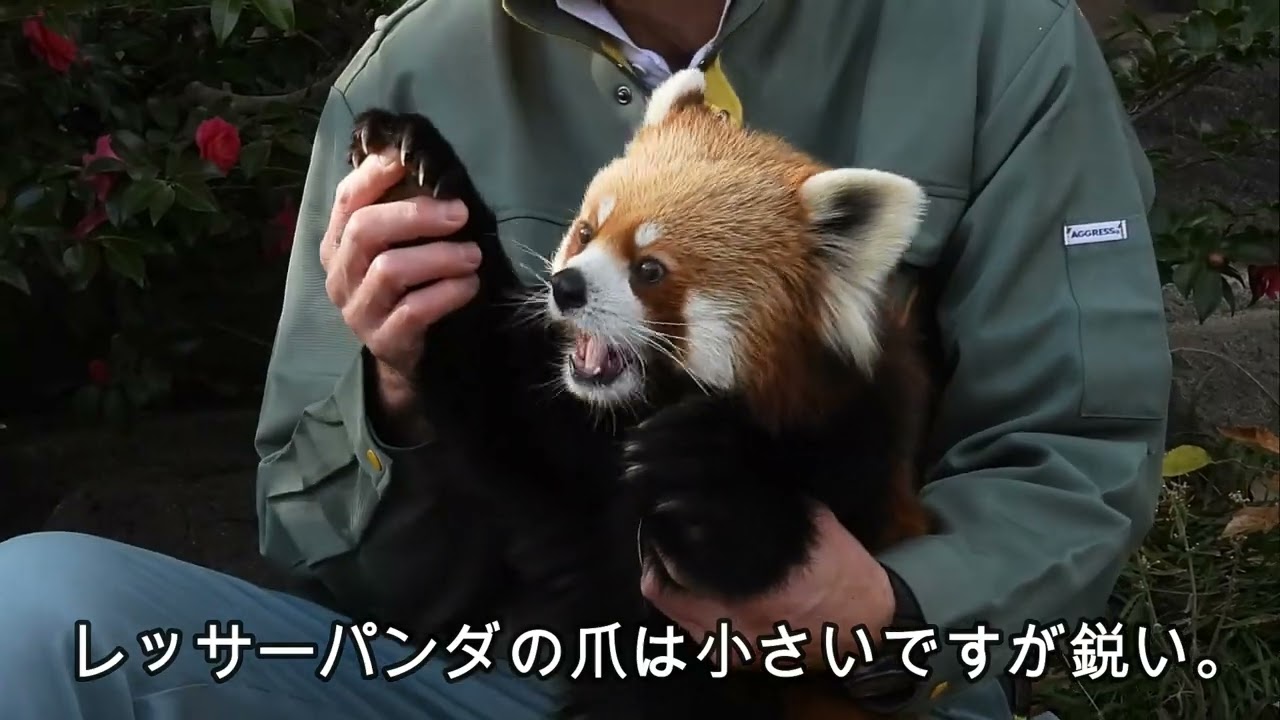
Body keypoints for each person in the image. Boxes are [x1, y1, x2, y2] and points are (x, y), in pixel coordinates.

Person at [0, 1, 1172, 718]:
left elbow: (1069, 452)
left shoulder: (990, 37)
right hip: (516, 675)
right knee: (39, 611)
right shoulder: (410, 72)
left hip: (850, 694)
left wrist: (887, 611)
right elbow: (339, 568)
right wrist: (400, 386)